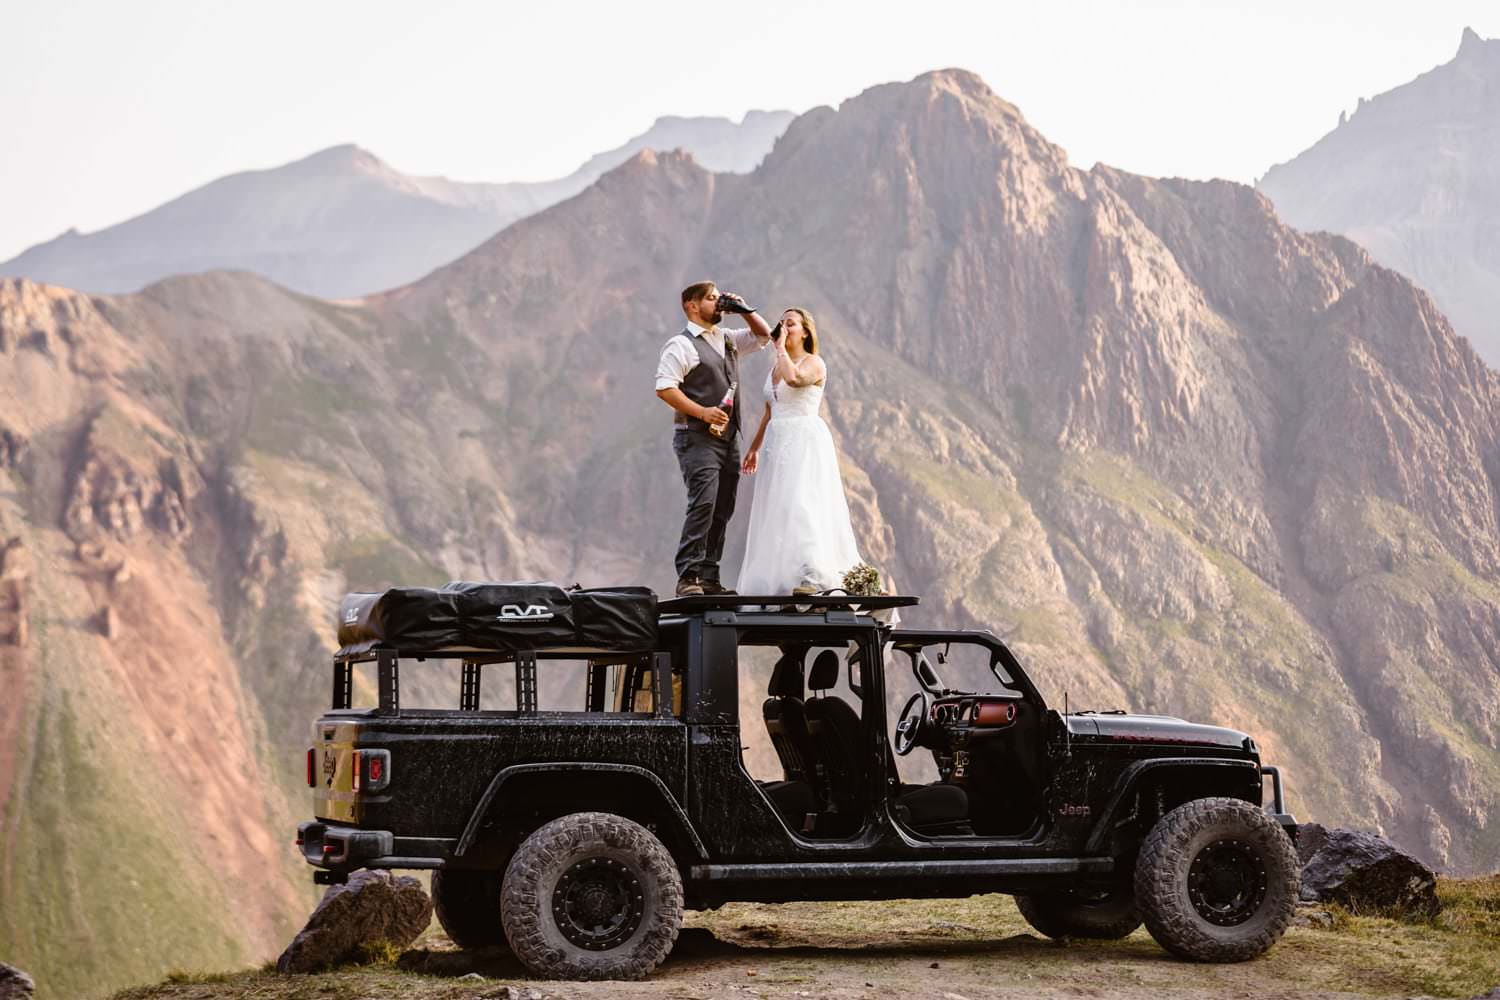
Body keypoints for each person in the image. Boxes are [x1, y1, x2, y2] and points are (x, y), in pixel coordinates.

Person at [655, 281, 771, 597]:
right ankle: (688, 577)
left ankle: (709, 577)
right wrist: (703, 413)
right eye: (711, 298)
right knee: (703, 502)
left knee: (723, 507)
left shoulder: (728, 339)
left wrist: (745, 310)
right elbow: (665, 388)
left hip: (729, 438)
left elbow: (764, 336)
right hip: (695, 438)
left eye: (719, 298)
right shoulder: (680, 345)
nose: (718, 303)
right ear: (692, 306)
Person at [736, 308, 863, 596]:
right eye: (782, 323)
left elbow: (794, 380)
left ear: (805, 331)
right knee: (778, 507)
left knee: (801, 501)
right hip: (776, 443)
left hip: (804, 439)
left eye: (791, 323)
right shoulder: (773, 370)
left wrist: (779, 347)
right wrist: (754, 448)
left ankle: (813, 575)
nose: (785, 327)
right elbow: (770, 410)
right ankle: (784, 579)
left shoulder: (814, 363)